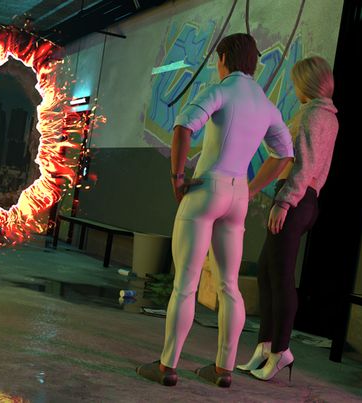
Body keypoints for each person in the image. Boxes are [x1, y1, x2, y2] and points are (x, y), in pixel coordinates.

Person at [136, 33, 294, 388]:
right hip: (237, 195)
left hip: (207, 189)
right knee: (229, 286)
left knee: (185, 285)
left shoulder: (221, 90)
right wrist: (251, 189)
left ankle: (167, 366)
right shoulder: (266, 104)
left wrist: (178, 178)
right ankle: (224, 369)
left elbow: (183, 126)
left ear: (224, 58)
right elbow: (284, 154)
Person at [237, 56, 339, 381]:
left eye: (296, 82)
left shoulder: (312, 115)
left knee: (279, 277)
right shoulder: (328, 117)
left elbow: (305, 164)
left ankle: (280, 350)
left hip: (294, 198)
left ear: (306, 83)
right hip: (304, 199)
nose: (294, 88)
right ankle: (265, 347)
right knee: (267, 272)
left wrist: (283, 201)